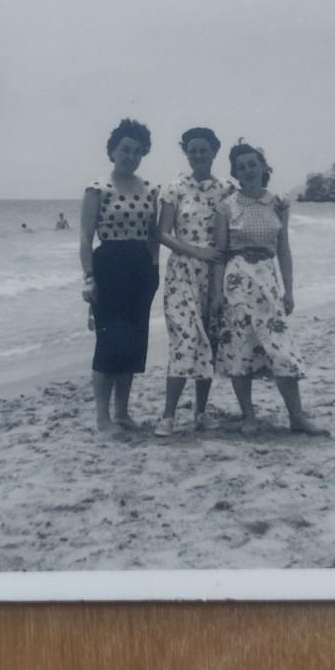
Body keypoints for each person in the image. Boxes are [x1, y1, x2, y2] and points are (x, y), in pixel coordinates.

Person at [210, 141, 328, 436]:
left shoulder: (278, 203)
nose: (248, 170)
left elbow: (284, 249)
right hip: (237, 283)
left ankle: (297, 416)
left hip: (268, 282)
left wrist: (289, 290)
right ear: (235, 173)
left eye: (252, 164)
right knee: (240, 348)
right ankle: (249, 416)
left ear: (263, 167)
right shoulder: (226, 206)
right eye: (241, 167)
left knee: (281, 349)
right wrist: (216, 294)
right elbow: (220, 253)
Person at [79, 118, 160, 432]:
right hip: (108, 265)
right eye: (125, 149)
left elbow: (153, 236)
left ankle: (123, 413)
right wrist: (88, 278)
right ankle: (102, 417)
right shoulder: (98, 188)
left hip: (141, 269)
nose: (131, 156)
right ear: (112, 151)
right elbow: (86, 238)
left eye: (137, 151)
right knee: (108, 343)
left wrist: (153, 270)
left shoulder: (151, 189)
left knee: (133, 344)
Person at [153, 127, 233, 437]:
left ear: (214, 152)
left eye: (204, 150)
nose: (198, 155)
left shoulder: (227, 190)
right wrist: (197, 251)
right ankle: (168, 416)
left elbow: (227, 236)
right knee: (185, 340)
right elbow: (162, 233)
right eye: (192, 150)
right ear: (186, 153)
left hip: (214, 274)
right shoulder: (174, 188)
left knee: (209, 341)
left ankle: (200, 412)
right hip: (181, 273)